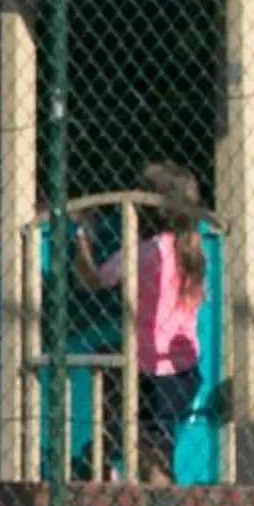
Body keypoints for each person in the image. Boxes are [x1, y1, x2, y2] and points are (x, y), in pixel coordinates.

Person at [71, 159, 210, 483]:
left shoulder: (143, 252)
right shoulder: (193, 248)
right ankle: (107, 452)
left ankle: (109, 456)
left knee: (154, 457)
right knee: (153, 442)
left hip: (150, 373)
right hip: (183, 369)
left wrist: (82, 238)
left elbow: (92, 281)